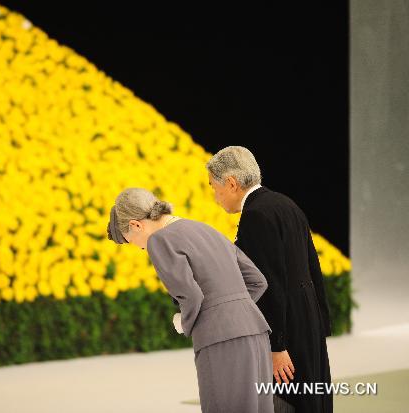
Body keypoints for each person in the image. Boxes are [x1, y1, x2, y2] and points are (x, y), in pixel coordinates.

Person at [107, 187, 274, 413]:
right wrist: (232, 312)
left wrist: (183, 321)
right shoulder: (205, 229)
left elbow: (191, 296)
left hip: (220, 340)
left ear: (136, 225)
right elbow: (258, 281)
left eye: (130, 240)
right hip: (256, 332)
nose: (138, 247)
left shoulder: (159, 240)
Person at [206, 146, 333, 413]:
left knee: (287, 400)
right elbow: (312, 266)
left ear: (231, 183)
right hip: (306, 320)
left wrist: (277, 346)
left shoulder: (255, 215)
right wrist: (320, 324)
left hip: (285, 329)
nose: (215, 198)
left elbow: (267, 284)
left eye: (214, 188)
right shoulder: (285, 204)